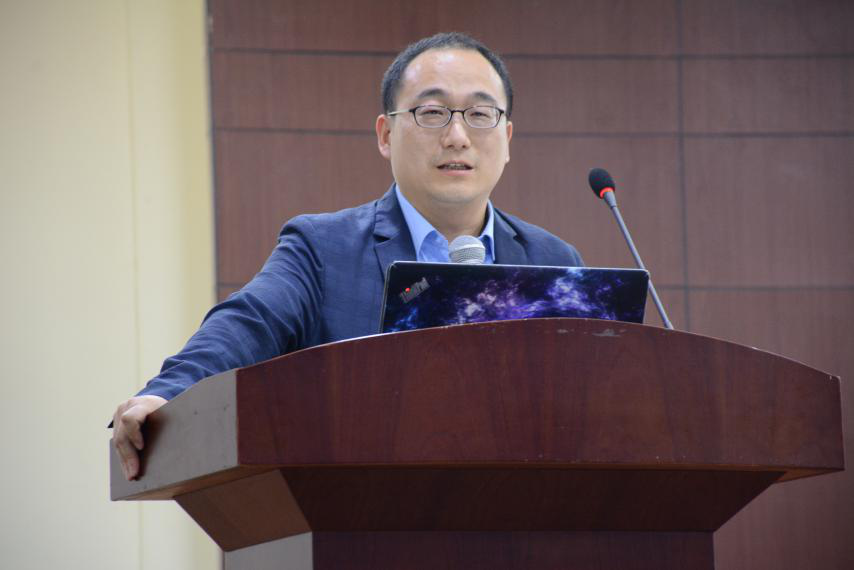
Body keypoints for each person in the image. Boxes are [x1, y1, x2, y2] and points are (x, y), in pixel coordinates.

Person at [112, 32, 583, 480]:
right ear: (385, 134)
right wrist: (168, 393)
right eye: (432, 112)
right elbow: (248, 322)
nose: (458, 135)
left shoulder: (554, 261)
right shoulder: (323, 249)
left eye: (480, 114)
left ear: (507, 138)